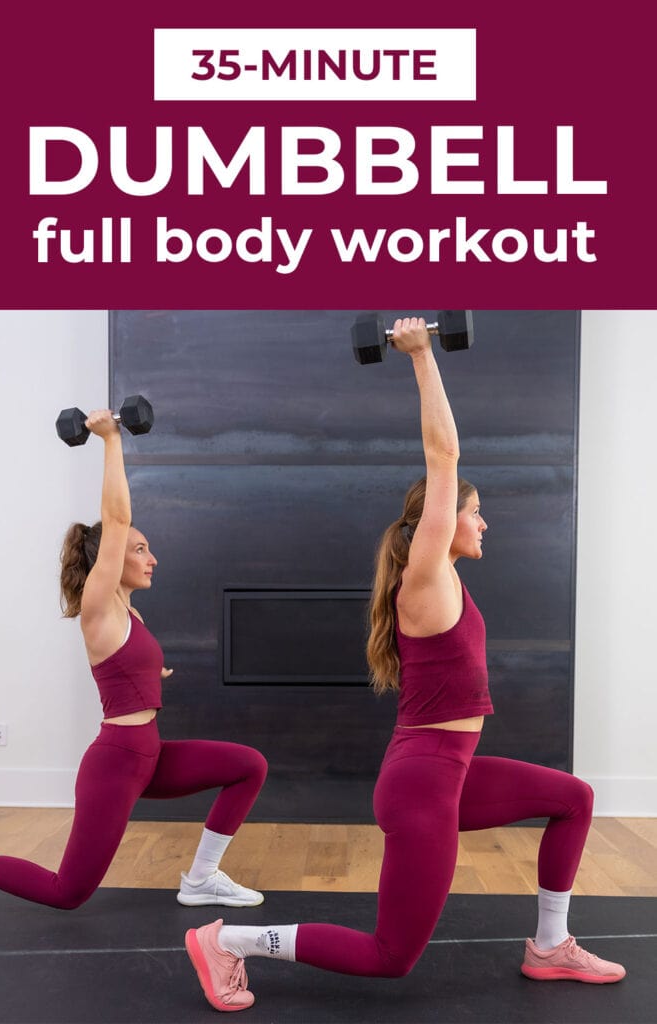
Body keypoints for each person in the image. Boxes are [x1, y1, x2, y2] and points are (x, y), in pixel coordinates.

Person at [182, 318, 626, 1012]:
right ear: (441, 524)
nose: (483, 525)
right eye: (476, 514)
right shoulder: (426, 581)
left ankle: (548, 946)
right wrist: (420, 355)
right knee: (390, 958)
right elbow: (442, 456)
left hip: (446, 775)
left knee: (571, 798)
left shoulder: (444, 583)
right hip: (422, 786)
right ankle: (228, 942)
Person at [0, 408, 267, 911]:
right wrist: (111, 439)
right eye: (140, 550)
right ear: (108, 562)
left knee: (248, 766)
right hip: (116, 764)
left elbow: (125, 669)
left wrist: (154, 672)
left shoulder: (130, 615)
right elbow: (116, 519)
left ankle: (200, 879)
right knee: (67, 892)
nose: (151, 558)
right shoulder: (99, 606)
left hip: (147, 756)